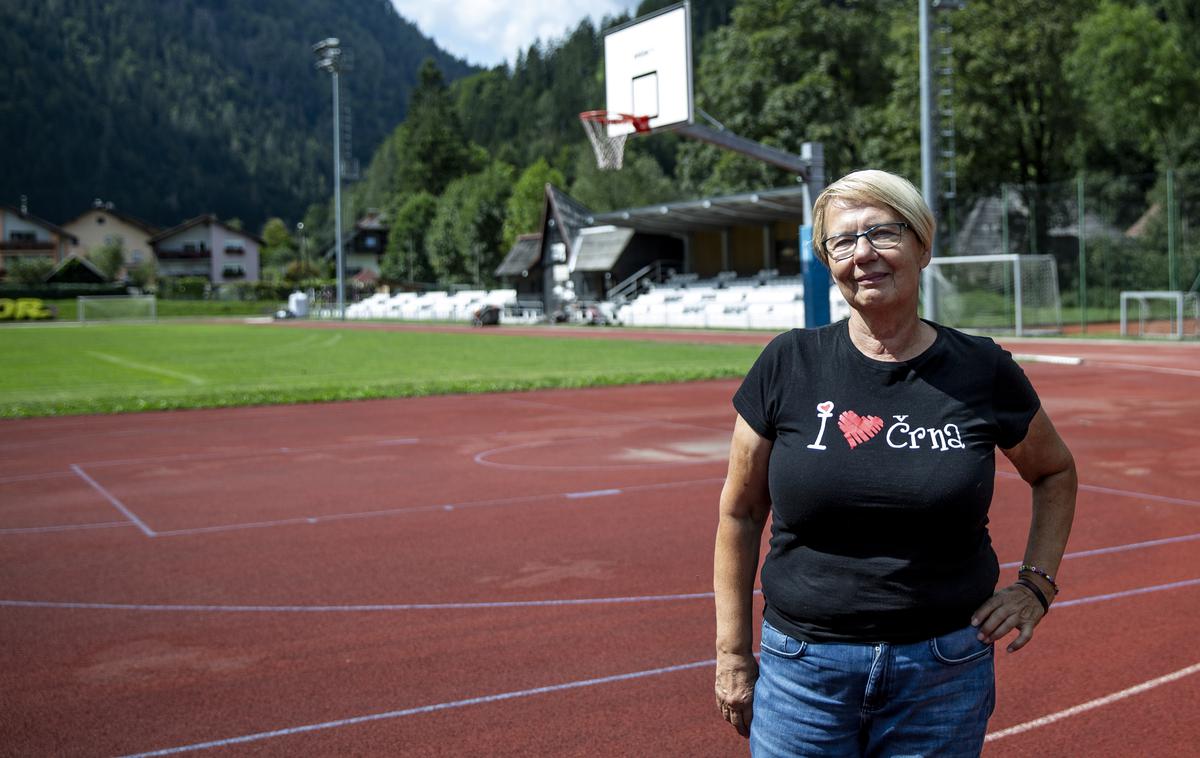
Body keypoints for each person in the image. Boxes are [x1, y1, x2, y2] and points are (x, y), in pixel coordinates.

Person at [713, 169, 1076, 756]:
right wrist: (733, 653)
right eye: (841, 241)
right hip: (803, 670)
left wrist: (1037, 586)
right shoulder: (787, 364)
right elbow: (741, 512)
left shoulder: (981, 370)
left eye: (883, 232)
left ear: (922, 245)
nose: (863, 254)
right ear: (827, 260)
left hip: (943, 670)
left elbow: (1055, 471)